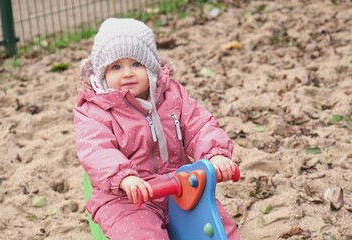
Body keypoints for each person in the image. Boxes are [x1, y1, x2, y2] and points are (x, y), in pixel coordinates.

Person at [74, 18, 239, 239]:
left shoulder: (172, 95)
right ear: (103, 74)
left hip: (179, 184)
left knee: (217, 227)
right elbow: (96, 150)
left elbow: (199, 125)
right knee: (141, 234)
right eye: (116, 66)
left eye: (136, 64)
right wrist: (124, 178)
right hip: (126, 197)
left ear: (151, 67)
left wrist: (215, 154)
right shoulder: (95, 110)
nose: (127, 73)